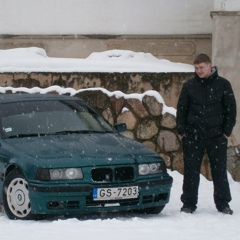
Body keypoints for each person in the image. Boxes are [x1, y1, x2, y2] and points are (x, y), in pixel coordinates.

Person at [176, 53, 237, 214]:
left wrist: (226, 132)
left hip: (217, 136)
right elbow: (182, 109)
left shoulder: (223, 85)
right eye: (196, 68)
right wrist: (182, 131)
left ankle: (223, 203)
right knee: (190, 172)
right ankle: (188, 204)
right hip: (192, 136)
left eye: (201, 67)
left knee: (219, 171)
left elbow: (231, 110)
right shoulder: (189, 86)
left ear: (210, 66)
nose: (199, 71)